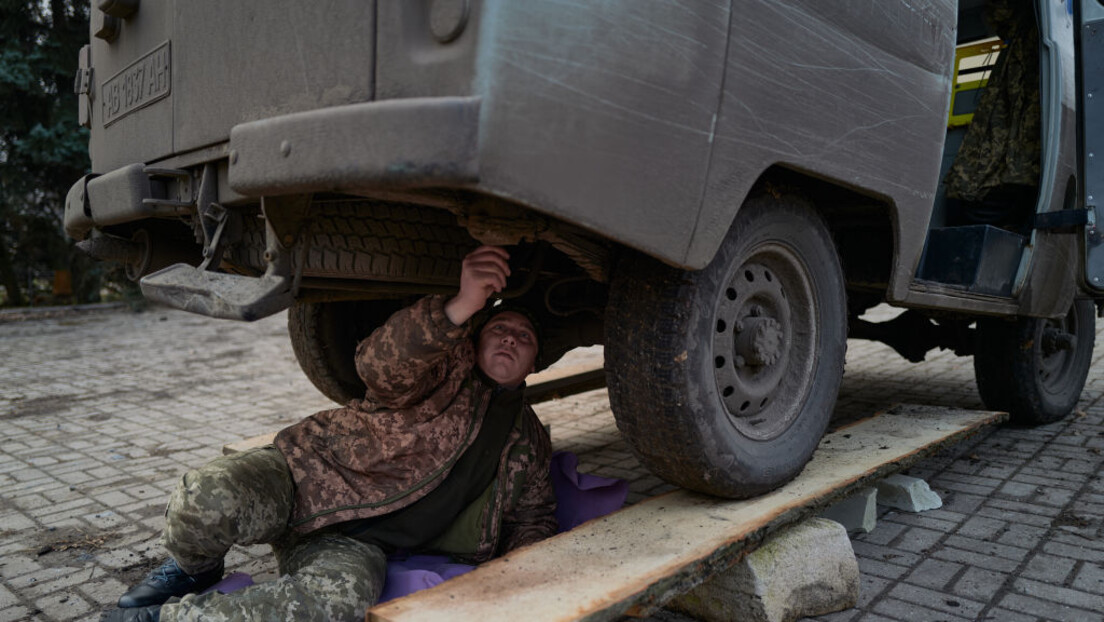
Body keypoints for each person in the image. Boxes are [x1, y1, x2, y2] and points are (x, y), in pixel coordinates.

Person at [101, 246, 557, 622]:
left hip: (356, 544)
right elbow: (376, 365)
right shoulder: (441, 366)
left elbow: (534, 517)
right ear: (477, 341)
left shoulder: (529, 441)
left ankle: (165, 620)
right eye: (500, 328)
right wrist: (459, 308)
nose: (510, 339)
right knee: (204, 496)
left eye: (524, 337)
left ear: (535, 363)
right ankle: (192, 567)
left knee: (339, 602)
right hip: (303, 475)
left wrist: (515, 579)